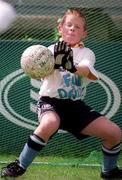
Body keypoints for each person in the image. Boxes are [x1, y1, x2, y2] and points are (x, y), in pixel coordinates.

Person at [1, 7, 122, 179]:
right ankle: (19, 165)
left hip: (75, 106)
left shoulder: (87, 53)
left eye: (77, 27)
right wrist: (50, 65)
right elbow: (40, 71)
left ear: (84, 34)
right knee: (49, 123)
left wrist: (70, 65)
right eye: (69, 25)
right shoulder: (47, 52)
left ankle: (109, 170)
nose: (72, 29)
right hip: (50, 102)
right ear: (60, 29)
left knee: (114, 133)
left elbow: (87, 71)